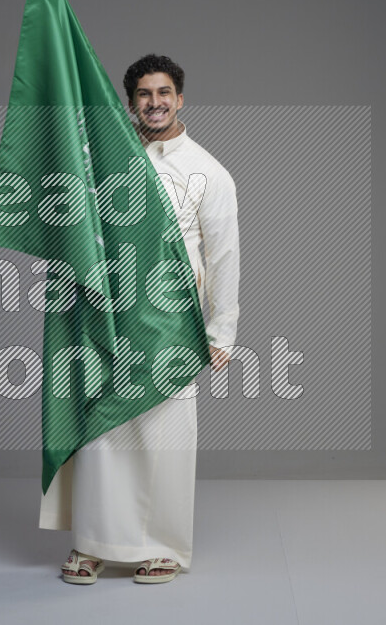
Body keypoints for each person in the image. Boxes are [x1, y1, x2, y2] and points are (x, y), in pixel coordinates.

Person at [41, 54, 240, 583]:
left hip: (170, 323)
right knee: (101, 432)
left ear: (180, 98)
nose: (155, 103)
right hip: (106, 316)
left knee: (164, 434)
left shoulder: (207, 172)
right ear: (130, 104)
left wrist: (221, 331)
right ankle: (93, 543)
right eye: (144, 95)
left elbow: (223, 257)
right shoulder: (104, 161)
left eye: (164, 92)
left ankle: (164, 548)